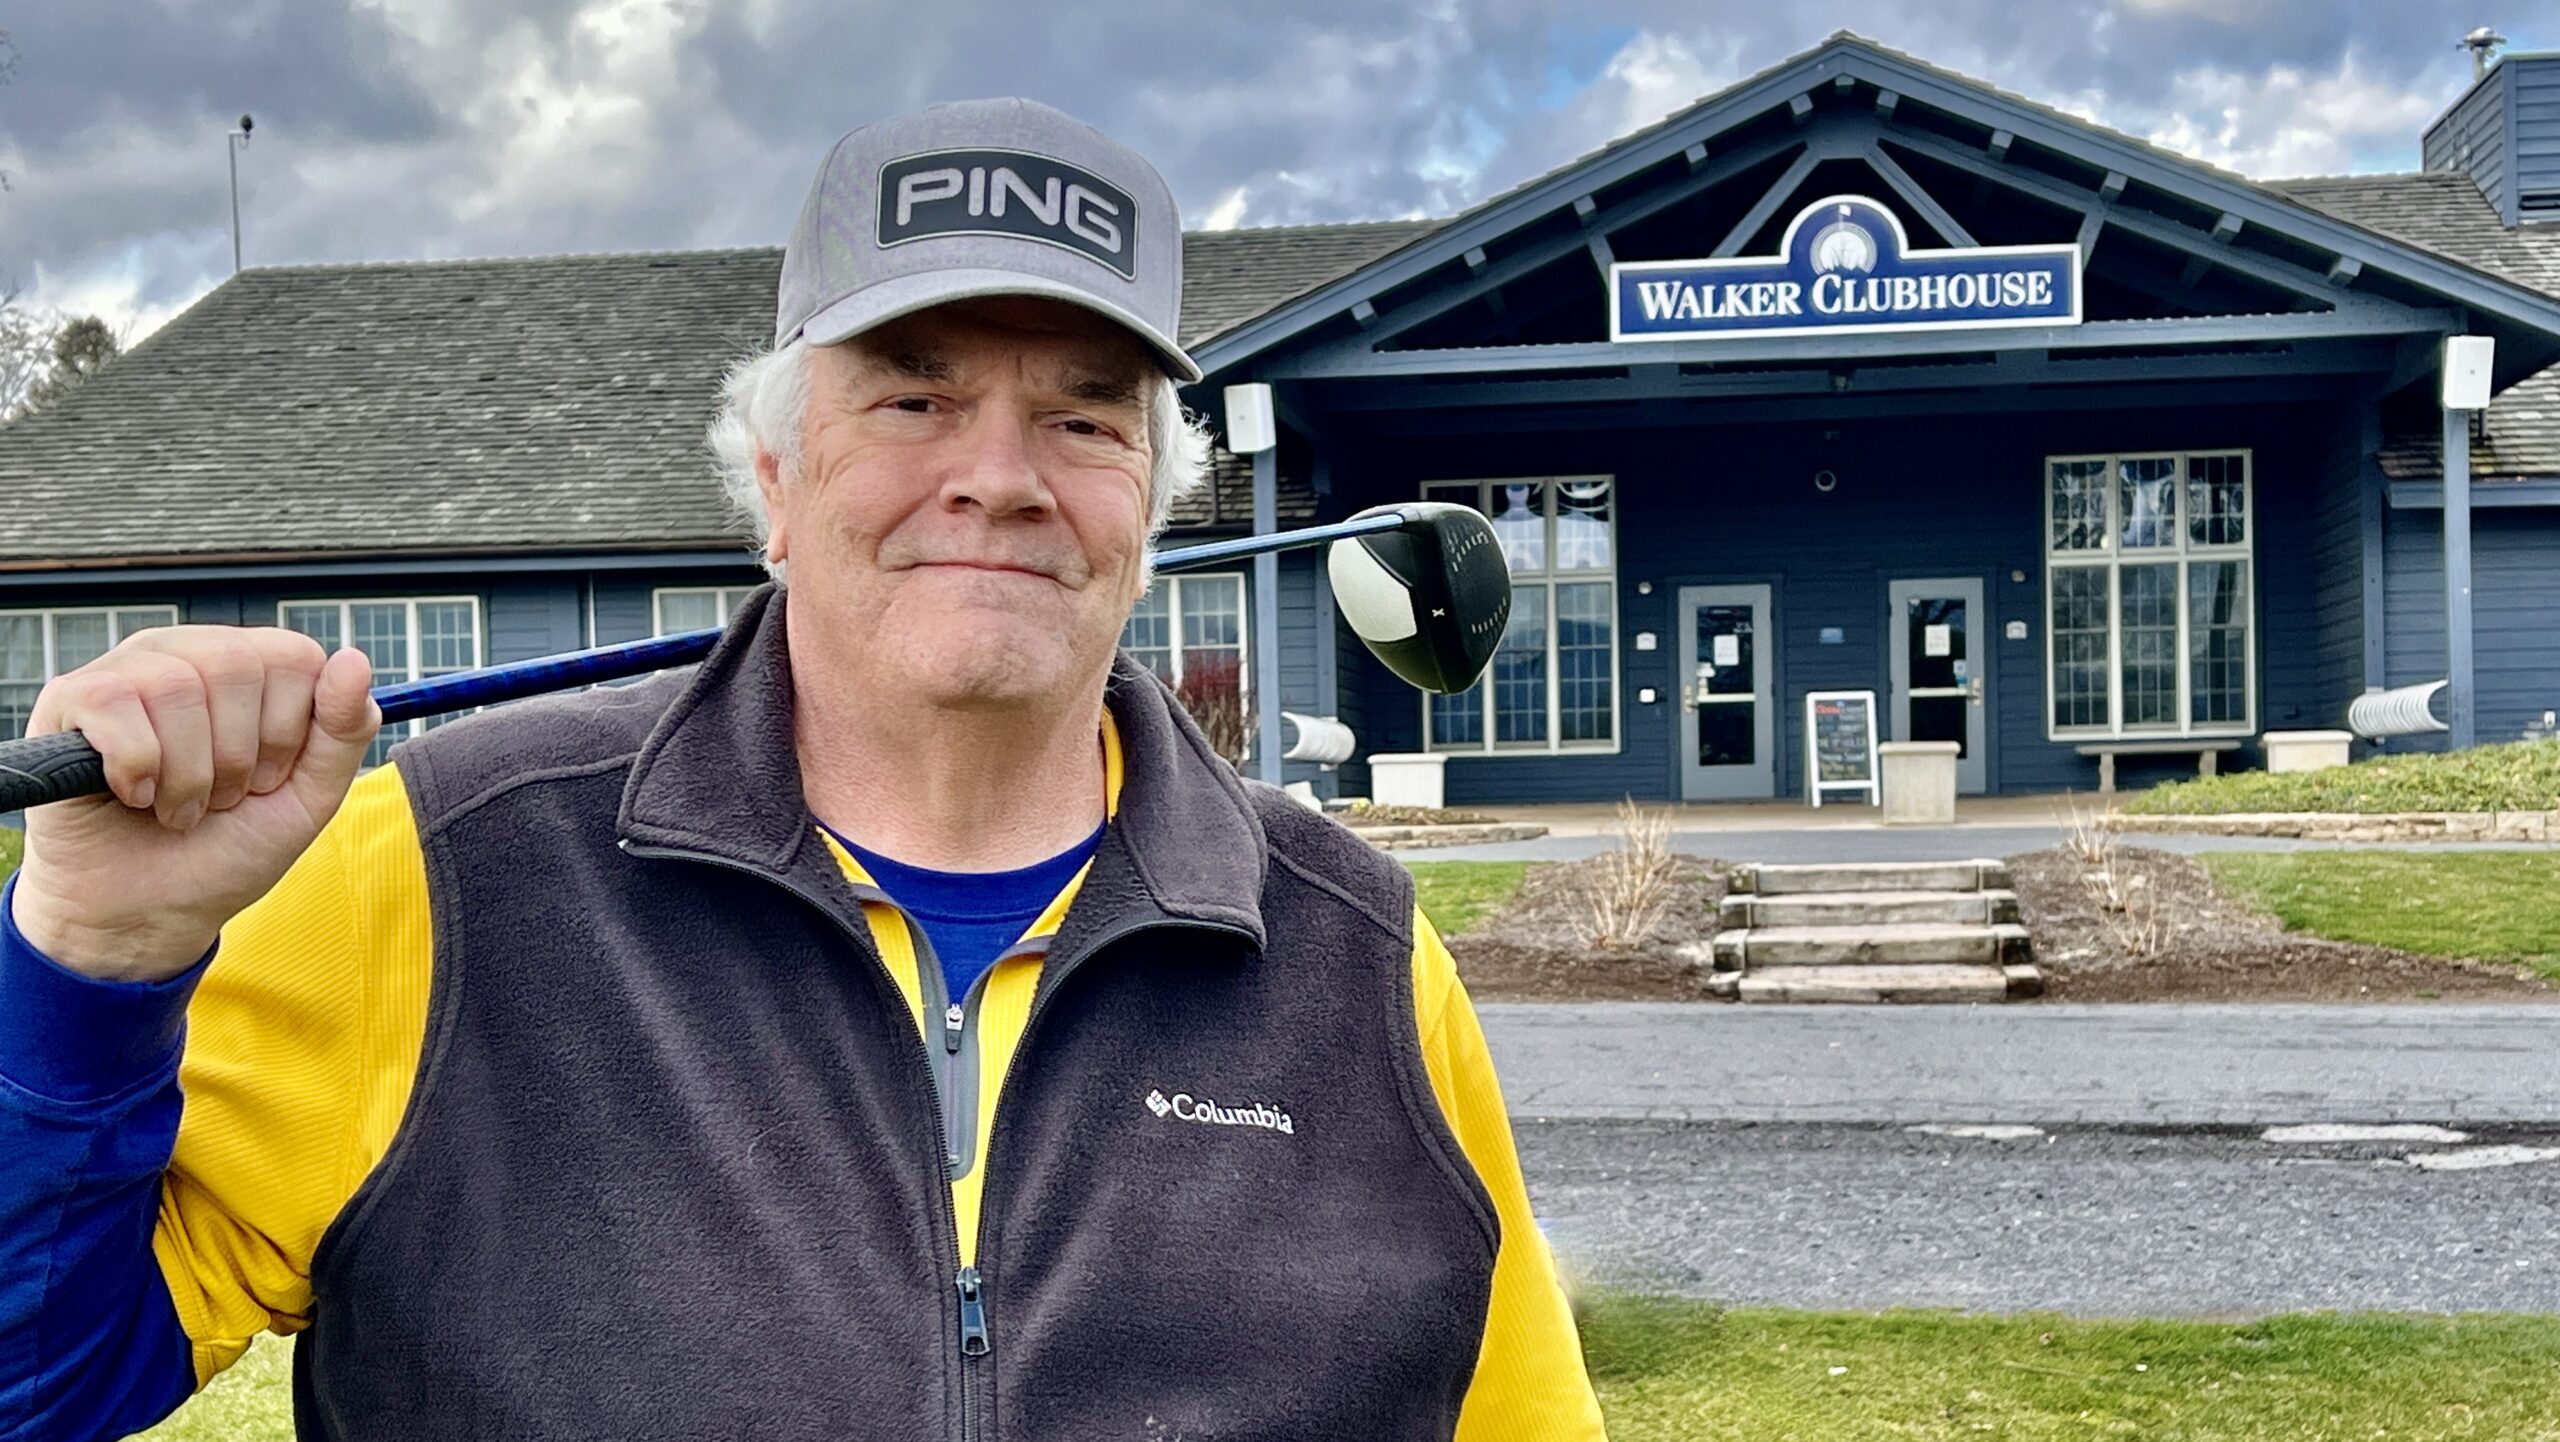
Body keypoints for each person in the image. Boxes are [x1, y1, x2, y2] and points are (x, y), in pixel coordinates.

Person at [0, 99, 1607, 1441]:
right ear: (772, 483)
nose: (999, 478)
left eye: (1084, 419)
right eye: (914, 395)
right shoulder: (423, 875)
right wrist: (86, 962)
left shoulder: (1364, 955)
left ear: (1152, 505)